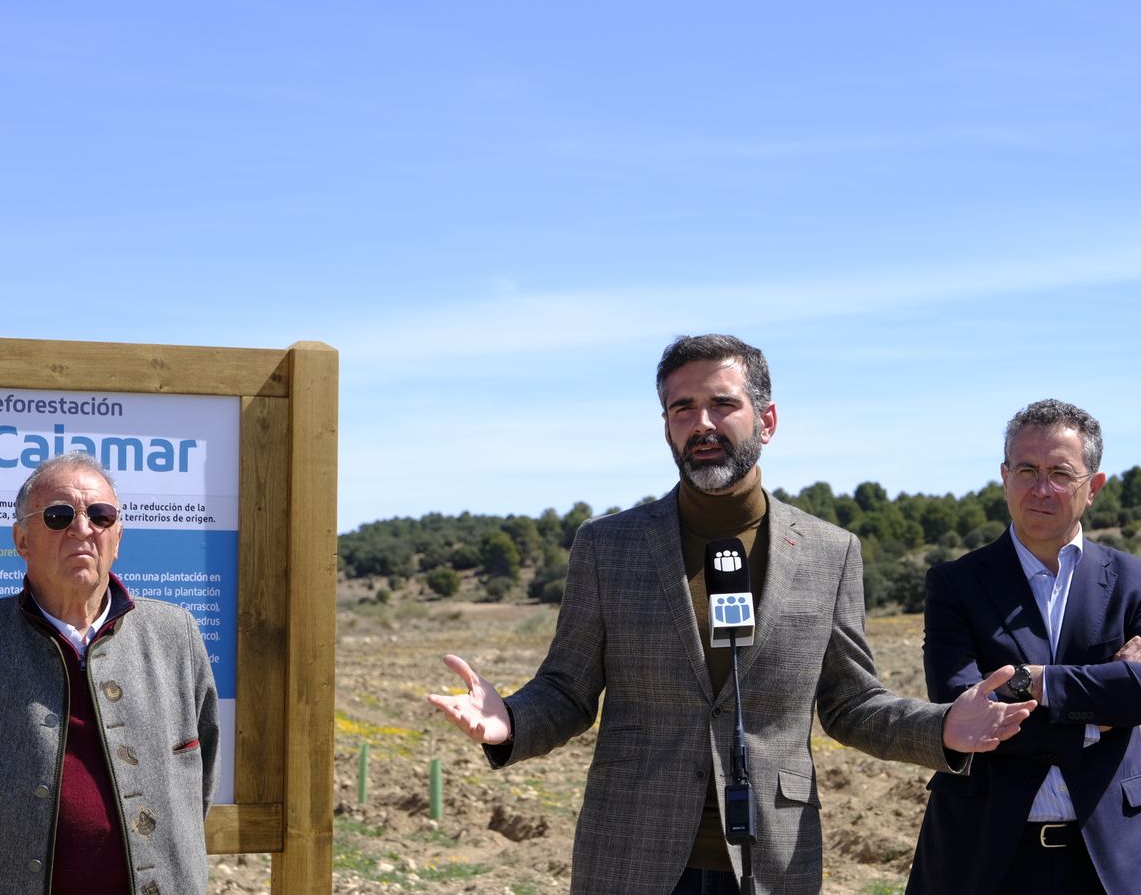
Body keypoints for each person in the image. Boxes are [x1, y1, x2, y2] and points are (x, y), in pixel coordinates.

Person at [428, 333, 1033, 895]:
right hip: (631, 854)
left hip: (773, 859)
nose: (702, 424)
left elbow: (851, 703)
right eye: (682, 408)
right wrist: (511, 718)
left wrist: (942, 729)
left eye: (722, 403)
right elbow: (567, 688)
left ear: (766, 420)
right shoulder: (607, 546)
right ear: (665, 426)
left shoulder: (830, 551)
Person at [0, 451, 219, 895]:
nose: (83, 528)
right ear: (21, 540)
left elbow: (199, 771)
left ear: (118, 536)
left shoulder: (175, 634)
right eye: (58, 516)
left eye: (100, 515)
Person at [909, 398, 1141, 895]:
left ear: (1092, 487)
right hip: (984, 856)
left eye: (1060, 473)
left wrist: (1034, 681)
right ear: (1004, 476)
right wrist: (1095, 714)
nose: (1041, 488)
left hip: (1109, 858)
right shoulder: (955, 583)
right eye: (1027, 470)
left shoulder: (1135, 582)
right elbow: (965, 707)